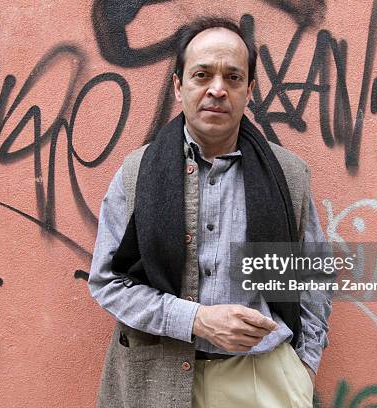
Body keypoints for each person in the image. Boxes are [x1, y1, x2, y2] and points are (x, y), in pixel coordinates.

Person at [88, 16, 332, 408]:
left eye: (233, 78)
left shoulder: (288, 175)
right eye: (202, 75)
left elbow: (313, 279)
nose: (217, 89)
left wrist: (303, 366)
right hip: (157, 379)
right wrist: (195, 320)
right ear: (178, 84)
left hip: (261, 379)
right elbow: (107, 282)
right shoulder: (138, 173)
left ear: (249, 89)